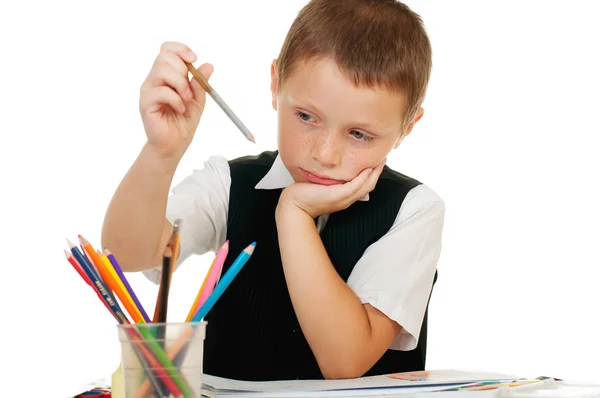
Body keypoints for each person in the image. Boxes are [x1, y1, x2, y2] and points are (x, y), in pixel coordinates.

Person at [101, 0, 445, 382]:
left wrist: (293, 212)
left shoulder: (413, 210)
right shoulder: (231, 183)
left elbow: (344, 360)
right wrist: (161, 153)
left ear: (407, 127)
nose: (324, 155)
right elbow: (127, 255)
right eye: (306, 117)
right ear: (276, 84)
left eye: (359, 134)